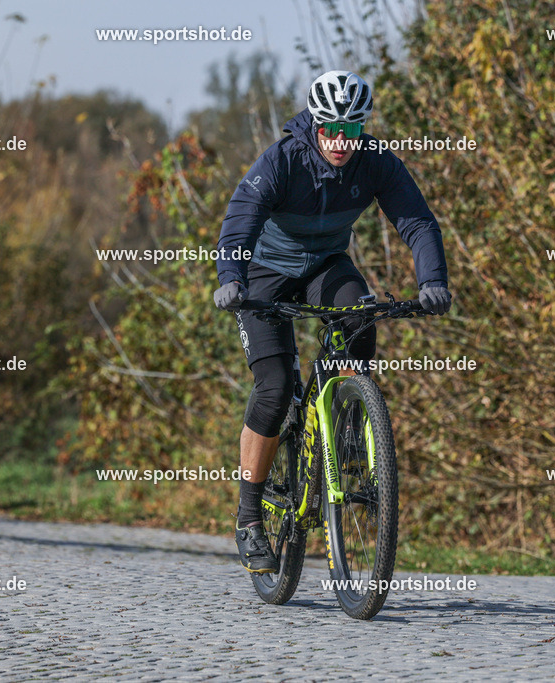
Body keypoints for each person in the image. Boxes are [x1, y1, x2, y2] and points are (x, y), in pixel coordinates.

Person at [213, 70, 452, 573]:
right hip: (264, 271)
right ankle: (249, 516)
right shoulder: (283, 160)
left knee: (361, 319)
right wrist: (232, 276)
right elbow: (241, 218)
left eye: (353, 128)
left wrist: (432, 281)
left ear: (363, 125)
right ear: (316, 123)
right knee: (275, 387)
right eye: (331, 128)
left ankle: (342, 437)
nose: (341, 140)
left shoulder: (377, 161)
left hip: (326, 266)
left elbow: (415, 220)